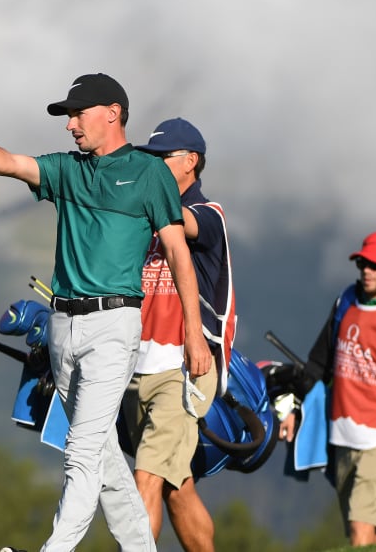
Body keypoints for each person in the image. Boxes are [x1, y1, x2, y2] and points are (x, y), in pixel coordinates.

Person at [0, 72, 211, 552]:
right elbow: (11, 163)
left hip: (114, 327)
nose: (70, 125)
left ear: (113, 113)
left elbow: (180, 255)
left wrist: (194, 336)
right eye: (68, 116)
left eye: (78, 114)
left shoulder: (148, 172)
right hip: (62, 328)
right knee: (104, 455)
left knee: (80, 454)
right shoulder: (68, 169)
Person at [119, 118, 236, 552]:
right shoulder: (147, 225)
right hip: (138, 365)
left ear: (191, 161)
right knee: (176, 485)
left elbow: (182, 220)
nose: (155, 165)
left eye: (162, 157)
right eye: (149, 158)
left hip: (184, 367)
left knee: (145, 478)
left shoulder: (208, 216)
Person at [280, 231, 376, 547]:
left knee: (359, 534)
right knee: (367, 531)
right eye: (363, 263)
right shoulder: (345, 301)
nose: (367, 270)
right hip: (342, 435)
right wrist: (294, 408)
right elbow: (318, 362)